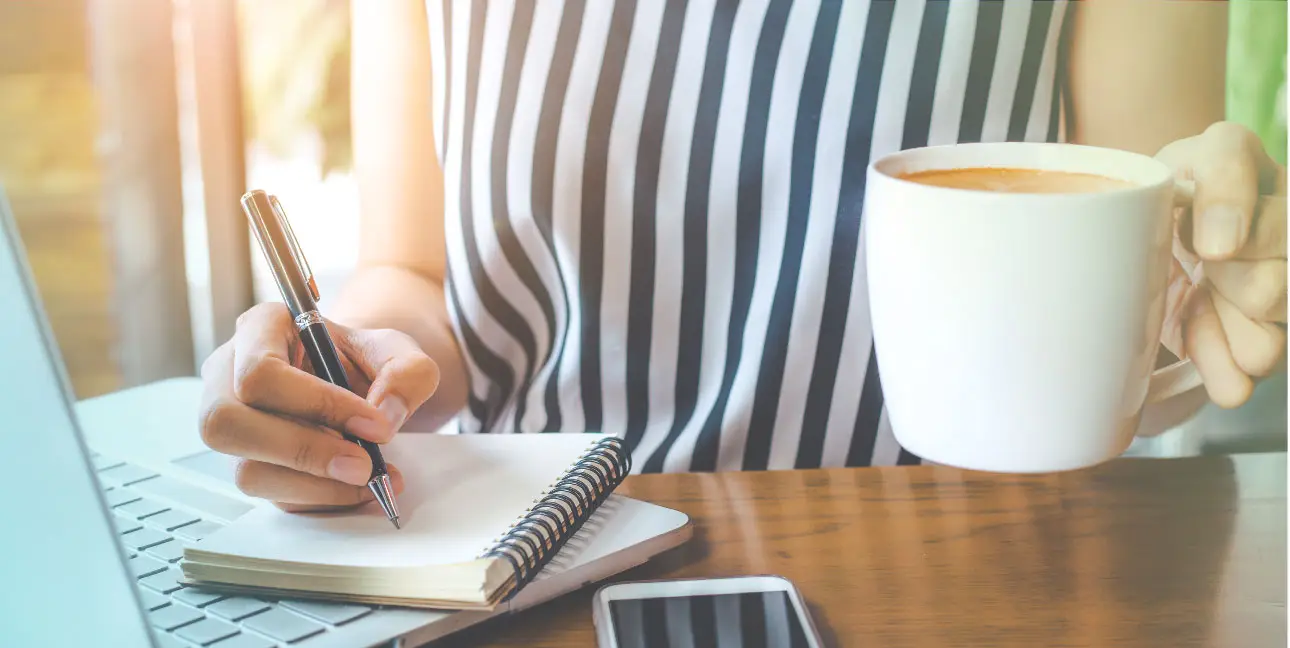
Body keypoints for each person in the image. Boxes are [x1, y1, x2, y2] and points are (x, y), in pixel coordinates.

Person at [199, 0, 1287, 511]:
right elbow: (413, 275)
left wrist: (1208, 287)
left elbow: (1155, 312)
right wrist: (363, 365)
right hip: (529, 561)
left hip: (967, 569)